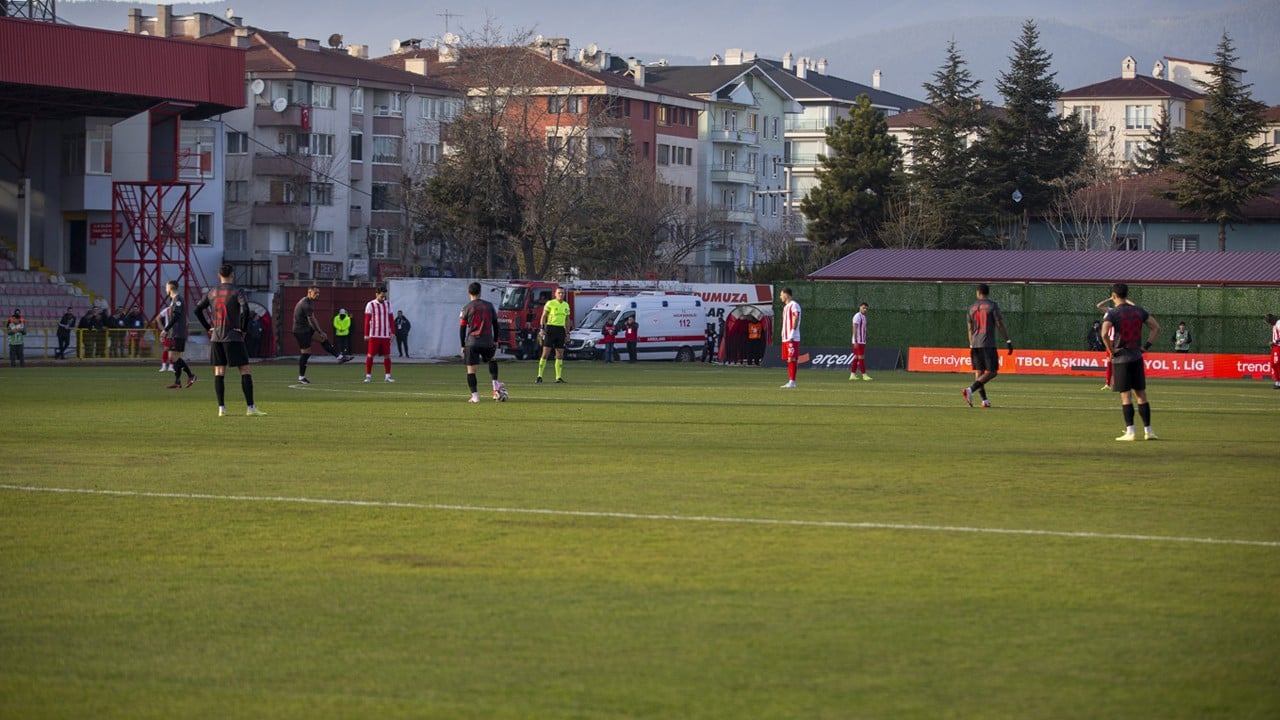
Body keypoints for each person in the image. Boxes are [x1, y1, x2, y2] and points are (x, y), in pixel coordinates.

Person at [195, 264, 265, 417]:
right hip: (233, 336)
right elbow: (245, 308)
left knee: (219, 372)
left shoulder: (212, 291)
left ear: (219, 276)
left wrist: (208, 327)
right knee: (245, 370)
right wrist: (244, 329)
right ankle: (251, 408)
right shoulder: (237, 291)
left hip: (216, 337)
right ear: (232, 275)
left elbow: (197, 310)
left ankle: (221, 409)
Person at [1102, 282, 1159, 440]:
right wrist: (1145, 347)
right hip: (1136, 357)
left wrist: (1112, 350)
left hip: (1121, 359)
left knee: (1125, 396)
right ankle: (1149, 431)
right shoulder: (1138, 310)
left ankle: (1131, 432)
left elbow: (1104, 333)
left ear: (1114, 296)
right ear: (1127, 294)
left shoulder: (1112, 314)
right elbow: (1156, 328)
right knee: (1141, 395)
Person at [962, 284, 1013, 408]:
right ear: (987, 293)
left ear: (978, 293)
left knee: (980, 371)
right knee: (993, 371)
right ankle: (970, 390)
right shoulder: (992, 305)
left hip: (975, 343)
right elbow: (999, 324)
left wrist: (971, 344)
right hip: (987, 343)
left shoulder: (971, 308)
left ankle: (984, 400)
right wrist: (1008, 340)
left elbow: (970, 329)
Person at [292, 286, 352, 384]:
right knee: (306, 353)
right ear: (309, 292)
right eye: (315, 293)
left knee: (323, 339)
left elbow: (313, 318)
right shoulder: (306, 304)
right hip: (300, 330)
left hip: (305, 328)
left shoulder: (309, 302)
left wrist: (320, 331)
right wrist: (319, 331)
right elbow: (311, 320)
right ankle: (301, 377)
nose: (318, 295)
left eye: (318, 293)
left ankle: (339, 357)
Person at [460, 281, 505, 403]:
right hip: (487, 341)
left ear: (469, 292)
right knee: (492, 359)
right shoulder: (489, 306)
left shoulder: (467, 307)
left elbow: (462, 328)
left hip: (472, 342)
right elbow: (496, 324)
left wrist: (462, 345)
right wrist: (495, 340)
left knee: (471, 370)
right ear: (480, 292)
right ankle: (495, 384)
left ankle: (475, 396)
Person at [160, 280, 197, 390]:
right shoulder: (173, 301)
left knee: (174, 356)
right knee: (172, 356)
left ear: (170, 288)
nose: (165, 290)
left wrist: (165, 329)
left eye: (166, 288)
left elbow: (176, 316)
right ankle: (177, 382)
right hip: (173, 333)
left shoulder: (178, 300)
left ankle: (191, 375)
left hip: (177, 333)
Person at [536, 286, 571, 383]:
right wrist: (542, 328)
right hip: (551, 328)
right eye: (559, 293)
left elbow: (567, 320)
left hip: (561, 330)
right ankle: (539, 376)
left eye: (562, 293)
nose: (561, 294)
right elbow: (543, 316)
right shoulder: (550, 303)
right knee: (545, 353)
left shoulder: (566, 305)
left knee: (560, 354)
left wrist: (568, 333)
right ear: (555, 294)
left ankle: (558, 377)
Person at [362, 285, 395, 383]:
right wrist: (366, 334)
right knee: (370, 355)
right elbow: (367, 320)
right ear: (377, 294)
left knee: (387, 355)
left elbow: (391, 319)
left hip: (385, 335)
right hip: (374, 334)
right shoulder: (370, 304)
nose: (383, 298)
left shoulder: (388, 304)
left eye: (384, 296)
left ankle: (387, 376)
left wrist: (393, 332)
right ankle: (368, 376)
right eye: (381, 296)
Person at [779, 287, 801, 388]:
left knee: (792, 358)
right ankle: (791, 381)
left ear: (786, 294)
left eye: (781, 294)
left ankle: (792, 382)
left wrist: (792, 332)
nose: (780, 297)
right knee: (789, 359)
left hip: (792, 336)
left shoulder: (794, 305)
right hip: (786, 337)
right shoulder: (785, 307)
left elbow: (796, 317)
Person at [1095, 298, 1115, 391]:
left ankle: (1113, 383)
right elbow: (1099, 305)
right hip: (1109, 340)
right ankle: (1108, 383)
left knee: (1113, 362)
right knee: (1109, 361)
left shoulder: (1121, 312)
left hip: (1116, 340)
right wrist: (1109, 299)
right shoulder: (1111, 310)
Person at [850, 302, 871, 381]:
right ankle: (864, 375)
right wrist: (855, 340)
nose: (865, 309)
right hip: (858, 341)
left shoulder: (864, 317)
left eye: (866, 308)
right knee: (861, 357)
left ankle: (852, 375)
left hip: (862, 340)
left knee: (856, 357)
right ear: (860, 307)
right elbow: (854, 327)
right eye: (863, 307)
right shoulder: (857, 316)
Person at [153, 302, 173, 372]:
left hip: (176, 331)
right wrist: (163, 329)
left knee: (173, 349)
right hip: (169, 331)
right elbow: (158, 318)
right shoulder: (167, 310)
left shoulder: (179, 310)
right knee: (166, 348)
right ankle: (164, 365)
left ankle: (171, 366)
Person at [1266, 313, 1280, 390]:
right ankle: (1277, 382)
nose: (1269, 323)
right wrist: (1272, 341)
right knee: (1273, 364)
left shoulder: (1279, 323)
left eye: (1269, 321)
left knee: (1277, 364)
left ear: (1272, 319)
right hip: (1275, 347)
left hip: (1278, 347)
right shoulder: (1274, 325)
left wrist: (1275, 342)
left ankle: (1279, 382)